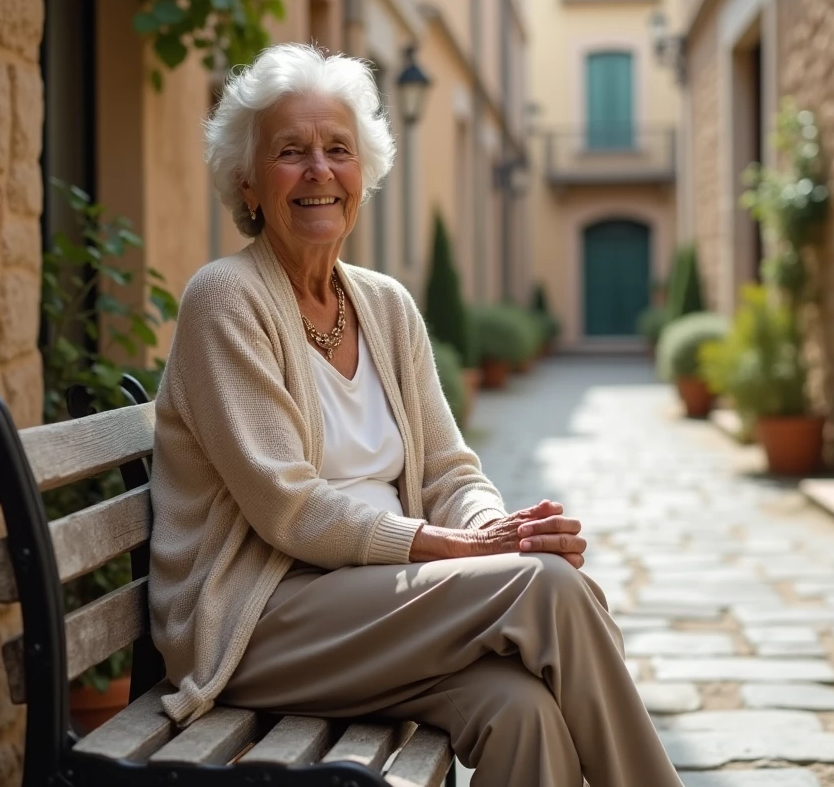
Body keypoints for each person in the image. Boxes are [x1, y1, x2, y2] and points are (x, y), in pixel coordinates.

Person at [147, 42, 682, 787]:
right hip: (260, 619)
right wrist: (464, 551)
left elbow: (448, 467)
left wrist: (500, 529)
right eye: (290, 152)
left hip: (379, 613)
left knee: (521, 711)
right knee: (547, 587)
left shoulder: (387, 306)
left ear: (363, 174)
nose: (318, 171)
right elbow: (290, 510)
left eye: (338, 149)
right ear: (248, 178)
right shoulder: (224, 299)